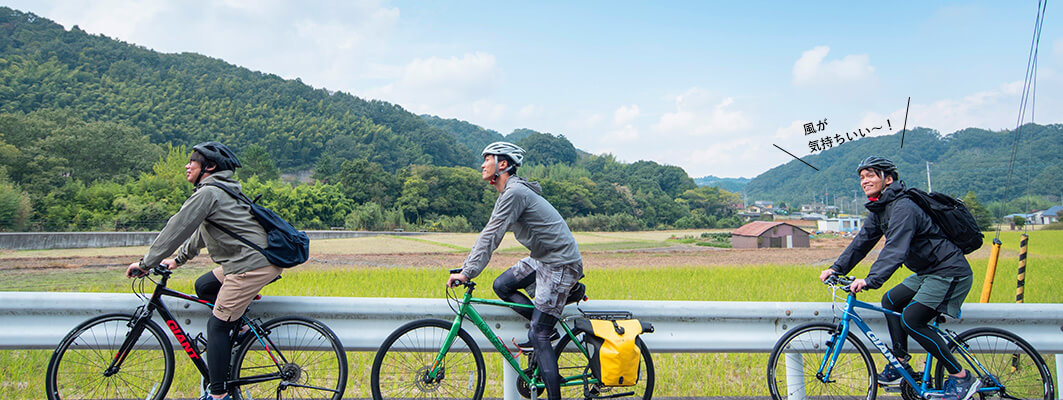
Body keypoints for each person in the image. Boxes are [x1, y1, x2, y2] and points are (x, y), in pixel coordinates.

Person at [126, 142, 282, 400]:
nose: (187, 166)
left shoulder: (209, 193)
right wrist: (177, 260)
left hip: (251, 265)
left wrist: (145, 264)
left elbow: (178, 227)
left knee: (217, 327)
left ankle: (219, 395)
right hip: (247, 262)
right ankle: (241, 330)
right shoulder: (220, 192)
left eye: (192, 162)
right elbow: (201, 231)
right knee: (205, 286)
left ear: (209, 167)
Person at [819, 156, 977, 400]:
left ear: (888, 178)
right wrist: (836, 268)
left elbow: (895, 248)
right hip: (929, 272)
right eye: (862, 177)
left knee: (912, 319)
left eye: (870, 175)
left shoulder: (903, 207)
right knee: (891, 300)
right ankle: (900, 362)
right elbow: (862, 242)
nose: (865, 181)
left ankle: (961, 377)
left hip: (949, 271)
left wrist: (870, 279)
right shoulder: (881, 208)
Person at [446, 141, 584, 400]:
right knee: (503, 286)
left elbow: (491, 235)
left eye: (487, 158)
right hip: (544, 259)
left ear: (503, 164)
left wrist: (467, 273)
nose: (482, 163)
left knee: (538, 334)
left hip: (560, 264)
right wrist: (467, 268)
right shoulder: (509, 193)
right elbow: (490, 232)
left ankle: (543, 333)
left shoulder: (515, 193)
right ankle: (544, 322)